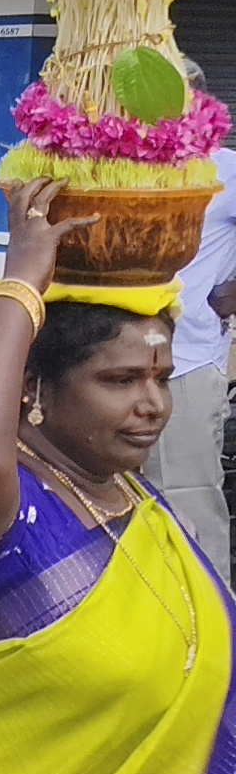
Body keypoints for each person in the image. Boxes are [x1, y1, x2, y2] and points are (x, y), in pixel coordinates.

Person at [0, 179, 236, 774]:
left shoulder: (136, 502)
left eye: (159, 379)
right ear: (33, 387)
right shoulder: (1, 512)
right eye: (119, 380)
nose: (153, 404)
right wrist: (21, 277)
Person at [146, 65, 236, 583]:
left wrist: (228, 294)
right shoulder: (123, 168)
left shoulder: (225, 170)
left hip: (188, 365)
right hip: (110, 364)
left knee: (189, 506)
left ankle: (213, 642)